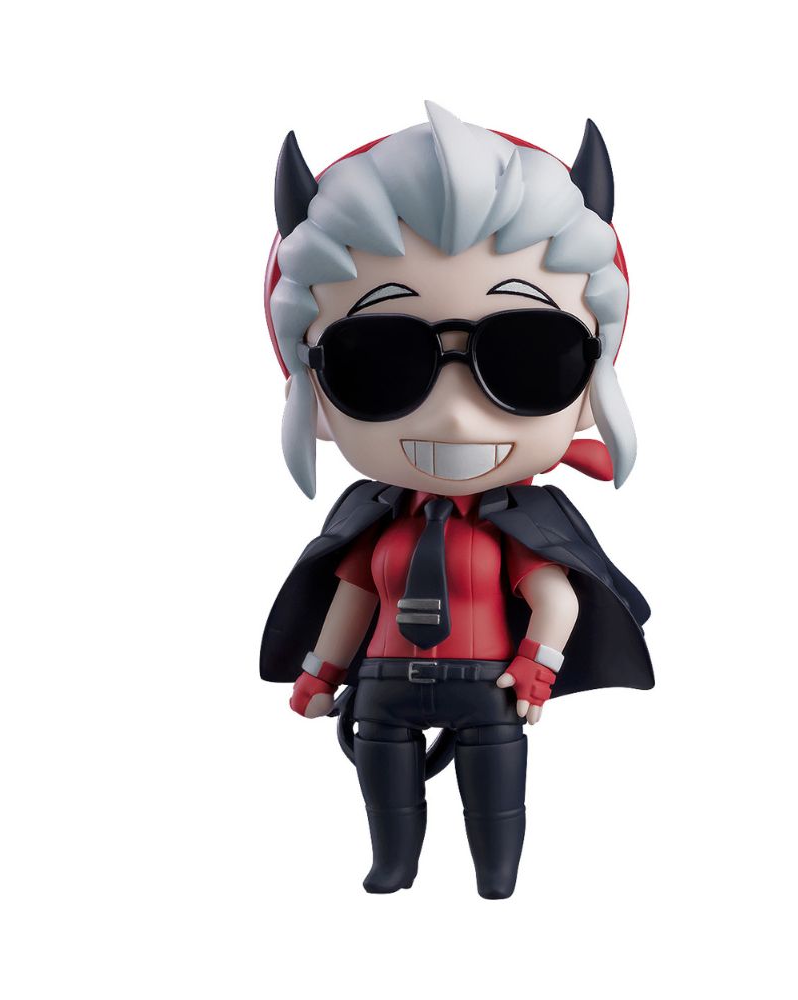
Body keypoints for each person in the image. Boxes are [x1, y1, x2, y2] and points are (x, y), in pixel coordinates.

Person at [260, 102, 653, 899]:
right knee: (385, 791)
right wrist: (320, 671)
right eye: (376, 363)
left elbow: (556, 600)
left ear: (592, 381)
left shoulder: (519, 529)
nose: (453, 416)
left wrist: (536, 668)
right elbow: (352, 597)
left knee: (495, 799)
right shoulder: (377, 527)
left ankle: (496, 876)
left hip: (489, 687)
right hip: (384, 684)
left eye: (529, 358)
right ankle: (393, 865)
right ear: (311, 384)